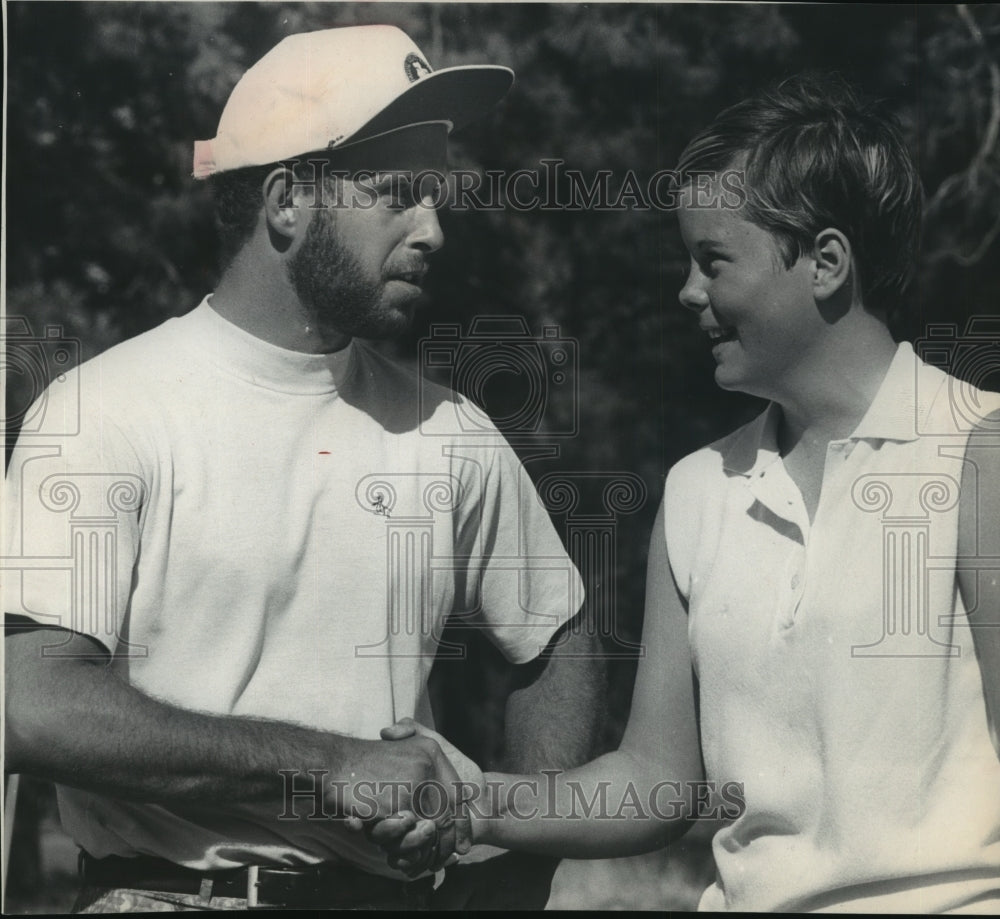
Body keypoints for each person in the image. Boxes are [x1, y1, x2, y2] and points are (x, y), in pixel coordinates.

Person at [4, 25, 603, 912]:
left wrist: (523, 864)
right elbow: (29, 704)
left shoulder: (452, 430)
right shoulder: (106, 411)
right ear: (287, 201)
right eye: (398, 194)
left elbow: (556, 636)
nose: (432, 230)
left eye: (434, 198)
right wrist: (332, 769)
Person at [374, 73, 1000, 913]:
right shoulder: (698, 489)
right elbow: (656, 780)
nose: (687, 292)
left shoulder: (979, 450)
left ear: (825, 264)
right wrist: (477, 795)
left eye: (712, 261)